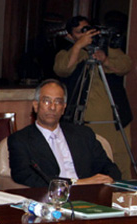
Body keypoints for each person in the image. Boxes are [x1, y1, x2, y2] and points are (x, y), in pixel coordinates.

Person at [54, 15, 133, 178]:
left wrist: (105, 60)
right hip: (85, 121)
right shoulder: (67, 52)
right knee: (90, 160)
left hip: (115, 119)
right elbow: (63, 69)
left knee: (119, 159)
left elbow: (126, 65)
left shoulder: (108, 48)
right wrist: (78, 46)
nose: (85, 35)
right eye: (79, 32)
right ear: (70, 36)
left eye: (87, 30)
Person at [8, 79, 120, 188]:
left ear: (64, 108)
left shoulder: (83, 134)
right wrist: (77, 183)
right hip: (50, 199)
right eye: (47, 101)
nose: (52, 107)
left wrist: (106, 179)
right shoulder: (20, 140)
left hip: (90, 196)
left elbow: (109, 168)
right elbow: (25, 176)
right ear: (36, 105)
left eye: (58, 102)